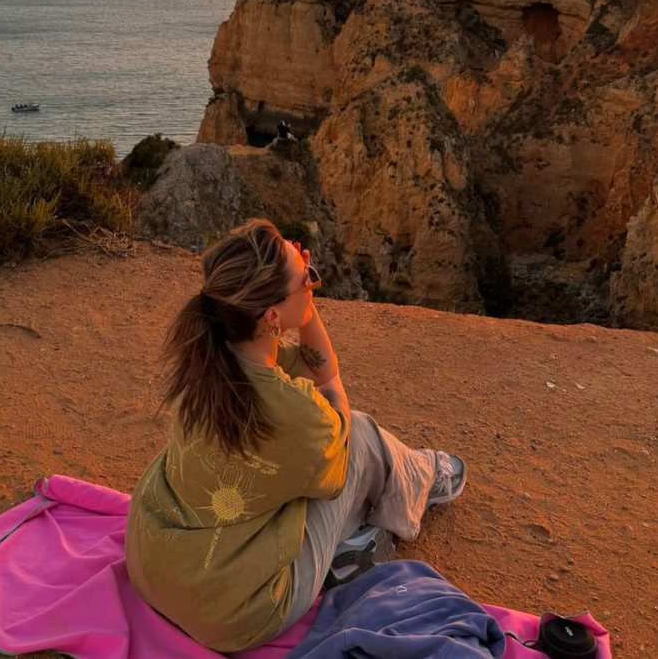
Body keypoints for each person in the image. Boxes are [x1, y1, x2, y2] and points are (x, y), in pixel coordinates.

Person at [124, 218, 466, 654]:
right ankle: (418, 480)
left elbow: (309, 365)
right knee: (355, 433)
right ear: (270, 316)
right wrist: (306, 305)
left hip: (154, 565)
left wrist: (299, 297)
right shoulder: (298, 415)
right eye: (306, 276)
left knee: (306, 454)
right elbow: (330, 387)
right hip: (236, 613)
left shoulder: (209, 359)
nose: (311, 277)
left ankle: (384, 507)